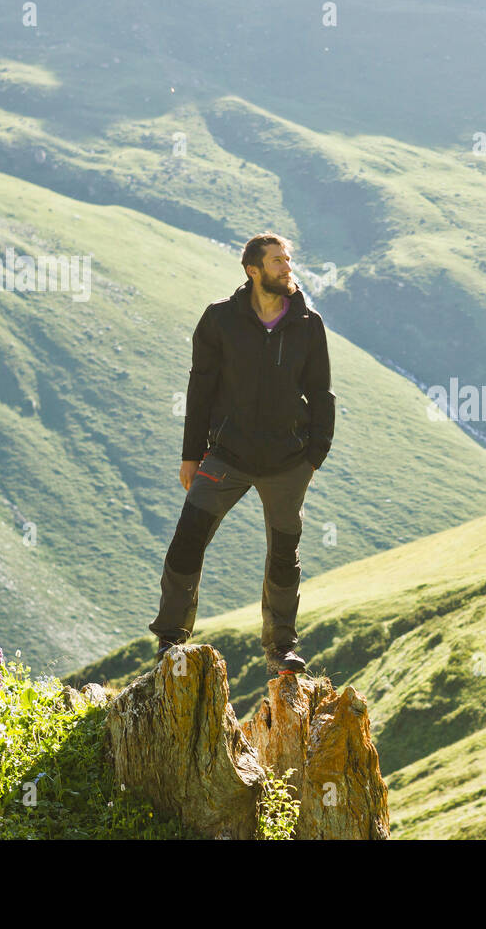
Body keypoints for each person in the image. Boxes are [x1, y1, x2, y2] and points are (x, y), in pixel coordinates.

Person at [148, 232, 335, 674]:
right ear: (253, 270)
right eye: (276, 262)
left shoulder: (308, 323)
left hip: (289, 462)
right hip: (226, 457)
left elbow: (321, 393)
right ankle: (172, 639)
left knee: (284, 557)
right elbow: (201, 386)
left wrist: (314, 457)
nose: (287, 268)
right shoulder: (219, 320)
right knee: (187, 541)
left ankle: (281, 648)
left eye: (288, 260)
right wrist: (191, 455)